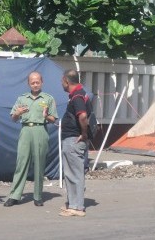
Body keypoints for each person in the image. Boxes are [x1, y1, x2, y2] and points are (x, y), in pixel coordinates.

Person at [4, 71, 58, 207]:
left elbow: (53, 119)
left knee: (39, 163)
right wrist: (17, 113)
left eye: (37, 82)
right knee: (21, 163)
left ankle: (38, 196)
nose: (35, 85)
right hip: (26, 129)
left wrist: (46, 116)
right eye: (32, 82)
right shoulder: (22, 98)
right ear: (28, 83)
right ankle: (15, 195)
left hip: (40, 130)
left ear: (42, 82)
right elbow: (13, 118)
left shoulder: (48, 98)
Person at [59, 69, 89, 217]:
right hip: (72, 139)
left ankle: (77, 207)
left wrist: (83, 134)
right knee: (71, 173)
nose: (61, 84)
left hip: (73, 140)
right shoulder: (79, 94)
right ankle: (73, 204)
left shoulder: (77, 96)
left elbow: (82, 116)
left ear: (66, 80)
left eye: (61, 81)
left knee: (74, 174)